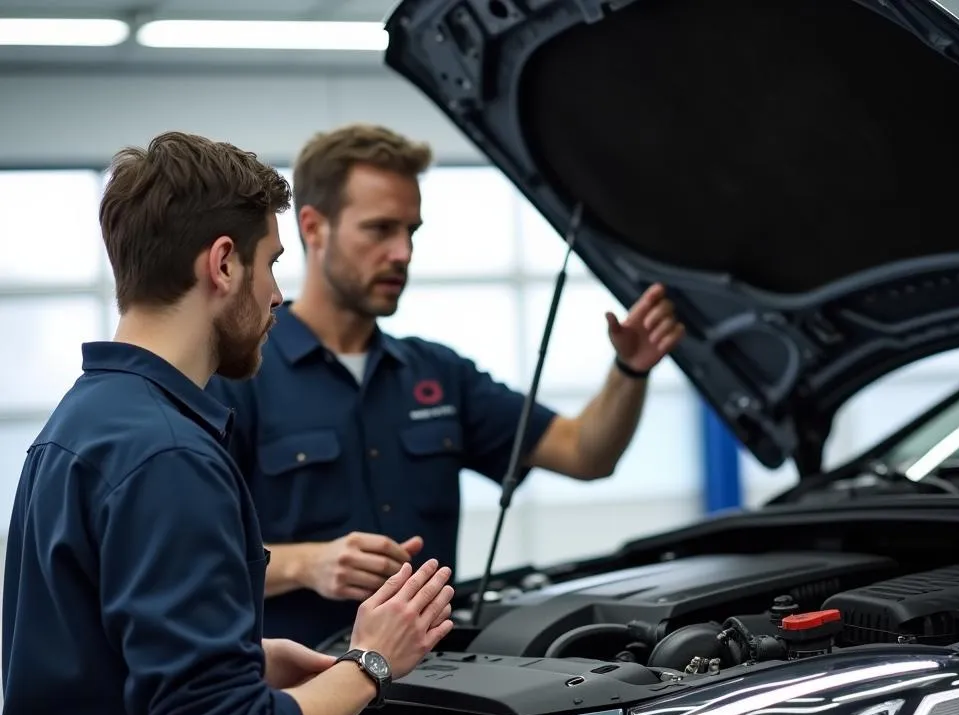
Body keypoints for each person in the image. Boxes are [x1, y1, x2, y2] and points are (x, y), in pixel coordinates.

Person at [0, 130, 455, 715]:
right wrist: (372, 661)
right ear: (222, 264)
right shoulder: (169, 456)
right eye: (271, 263)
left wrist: (241, 658)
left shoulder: (90, 421)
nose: (280, 294)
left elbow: (98, 644)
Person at [207, 123, 686, 649]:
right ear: (314, 228)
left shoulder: (437, 375)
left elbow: (585, 453)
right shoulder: (239, 377)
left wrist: (631, 370)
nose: (402, 252)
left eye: (411, 231)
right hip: (300, 699)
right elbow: (196, 562)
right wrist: (306, 564)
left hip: (436, 695)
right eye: (380, 229)